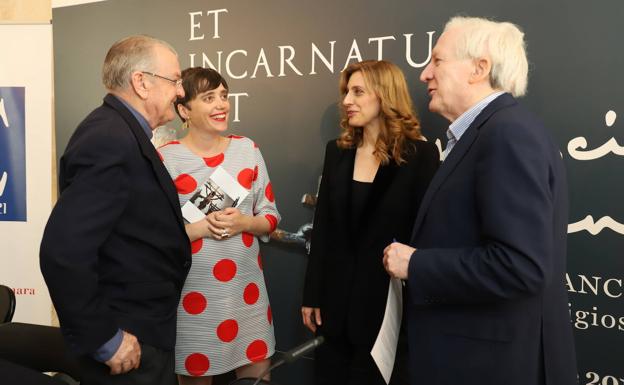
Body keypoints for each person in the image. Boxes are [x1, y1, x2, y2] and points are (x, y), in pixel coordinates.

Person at [382, 17, 578, 385]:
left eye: (437, 61)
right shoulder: (492, 131)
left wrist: (417, 264)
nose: (424, 74)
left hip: (492, 366)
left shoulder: (506, 134)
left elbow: (520, 266)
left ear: (479, 68)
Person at [40, 35, 191, 385]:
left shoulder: (122, 133)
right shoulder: (108, 138)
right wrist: (104, 340)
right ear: (141, 82)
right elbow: (63, 252)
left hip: (146, 331)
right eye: (175, 80)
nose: (181, 92)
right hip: (126, 339)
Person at [302, 60, 439, 385]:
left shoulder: (419, 156)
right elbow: (322, 229)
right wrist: (312, 293)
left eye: (358, 91)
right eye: (346, 92)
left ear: (385, 96)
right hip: (333, 309)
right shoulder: (336, 151)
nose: (347, 100)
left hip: (387, 311)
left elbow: (427, 236)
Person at [157, 67, 281, 385]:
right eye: (209, 98)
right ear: (184, 110)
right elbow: (154, 238)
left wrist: (244, 222)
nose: (221, 104)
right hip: (192, 302)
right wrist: (199, 229)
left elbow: (270, 218)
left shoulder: (247, 150)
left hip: (247, 299)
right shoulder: (165, 159)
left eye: (224, 96)